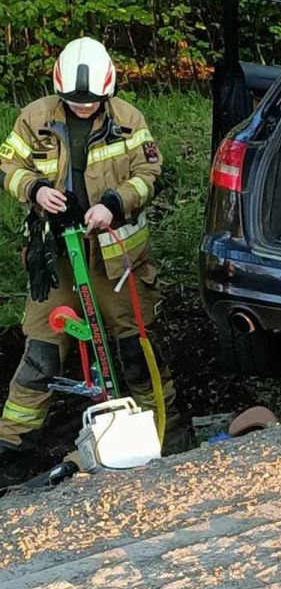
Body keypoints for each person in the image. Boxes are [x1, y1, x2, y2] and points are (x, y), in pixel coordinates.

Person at [0, 37, 176, 479]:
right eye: (74, 102)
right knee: (41, 349)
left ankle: (164, 431)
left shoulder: (129, 119)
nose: (83, 108)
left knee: (136, 347)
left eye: (91, 102)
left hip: (116, 260)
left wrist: (114, 203)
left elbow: (150, 173)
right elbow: (8, 166)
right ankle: (10, 448)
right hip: (56, 255)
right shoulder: (34, 119)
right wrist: (36, 189)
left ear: (108, 91)